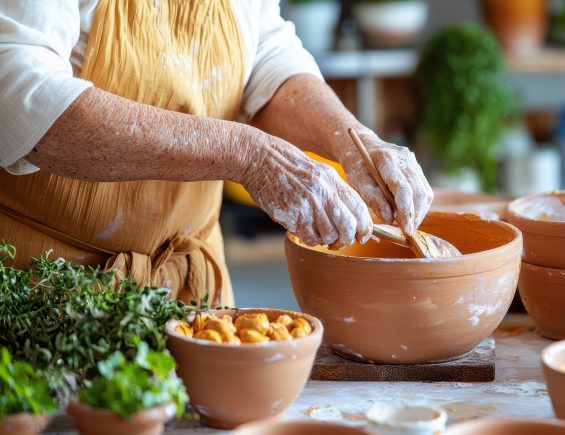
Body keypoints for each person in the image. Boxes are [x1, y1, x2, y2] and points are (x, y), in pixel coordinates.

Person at [0, 0, 433, 306]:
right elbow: (17, 90)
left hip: (193, 291)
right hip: (45, 291)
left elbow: (266, 53)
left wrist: (354, 140)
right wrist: (248, 155)